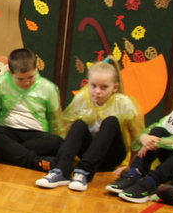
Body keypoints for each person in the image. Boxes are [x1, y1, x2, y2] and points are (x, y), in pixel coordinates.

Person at [35, 60, 144, 192]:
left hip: (112, 155)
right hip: (87, 152)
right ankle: (61, 171)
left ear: (115, 87)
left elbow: (137, 138)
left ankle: (84, 172)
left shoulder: (123, 103)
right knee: (78, 124)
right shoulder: (82, 98)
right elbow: (67, 128)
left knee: (111, 121)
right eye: (93, 86)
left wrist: (131, 168)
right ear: (88, 83)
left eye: (104, 87)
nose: (97, 91)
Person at [107, 78, 173, 203]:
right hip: (170, 162)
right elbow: (153, 128)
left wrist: (160, 142)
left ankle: (150, 183)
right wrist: (145, 138)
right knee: (158, 131)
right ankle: (134, 173)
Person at [0, 48, 64, 171]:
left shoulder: (49, 88)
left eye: (31, 77)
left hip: (37, 134)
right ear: (10, 72)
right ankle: (36, 162)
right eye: (20, 79)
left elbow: (55, 119)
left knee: (57, 142)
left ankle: (3, 154)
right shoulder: (0, 84)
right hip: (8, 132)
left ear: (36, 68)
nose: (26, 82)